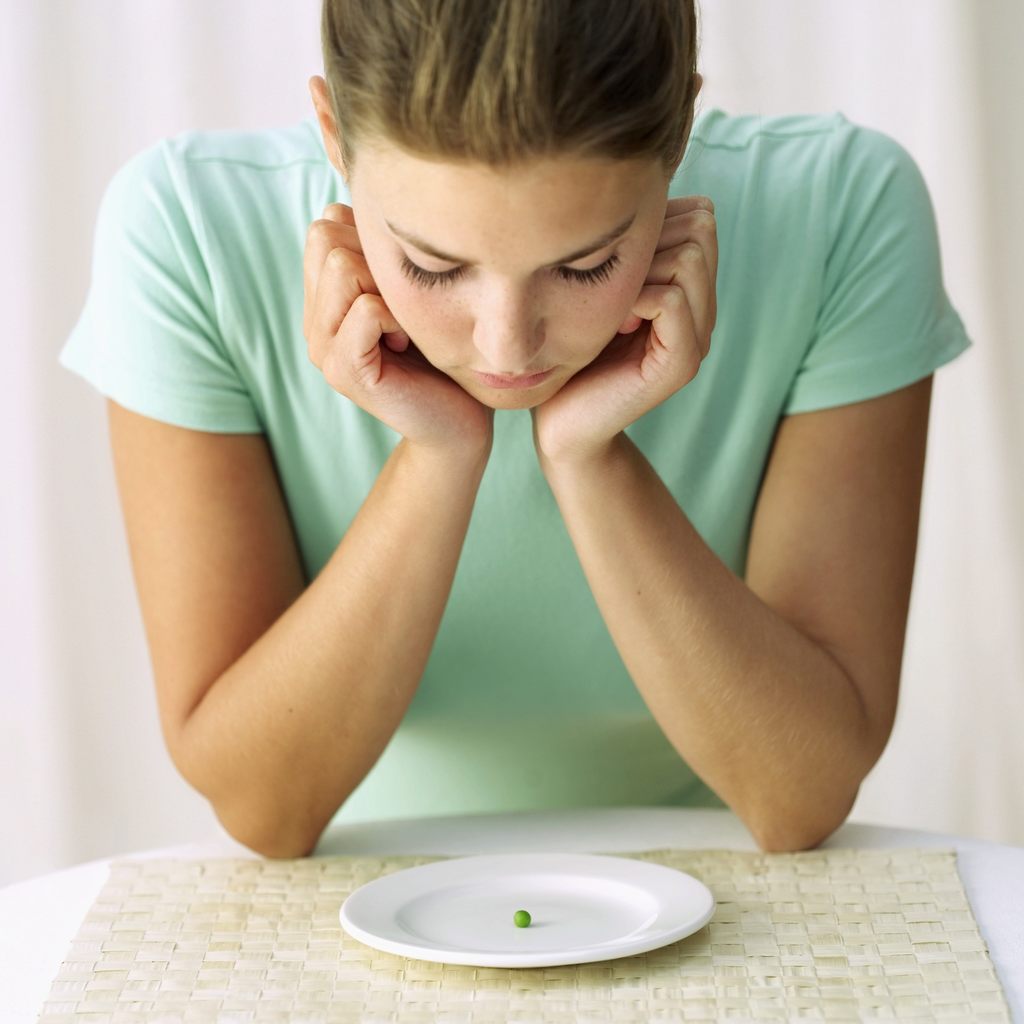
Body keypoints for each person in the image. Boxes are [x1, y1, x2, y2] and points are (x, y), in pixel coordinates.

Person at [59, 0, 971, 858]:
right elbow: (264, 808)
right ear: (333, 134)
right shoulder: (186, 232)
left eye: (586, 266)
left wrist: (588, 458)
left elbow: (801, 793)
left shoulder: (843, 211)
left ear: (681, 135)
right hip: (352, 889)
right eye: (431, 266)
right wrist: (439, 453)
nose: (507, 347)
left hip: (723, 888)